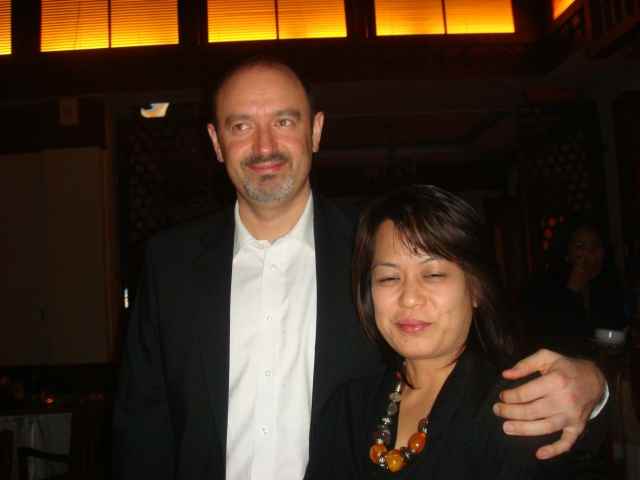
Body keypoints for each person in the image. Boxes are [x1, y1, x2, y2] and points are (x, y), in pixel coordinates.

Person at [112, 57, 607, 480]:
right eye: (241, 126)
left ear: (316, 131)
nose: (264, 146)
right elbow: (142, 425)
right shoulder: (168, 263)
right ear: (217, 142)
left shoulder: (379, 254)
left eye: (284, 121)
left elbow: (485, 350)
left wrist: (594, 385)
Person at [305, 185, 603, 479]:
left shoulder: (518, 409)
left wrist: (598, 385)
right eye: (389, 278)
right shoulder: (349, 408)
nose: (409, 298)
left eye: (433, 274)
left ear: (476, 289)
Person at [523, 220, 627, 354]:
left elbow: (617, 332)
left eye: (595, 246)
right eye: (580, 246)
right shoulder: (546, 284)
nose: (589, 253)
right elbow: (548, 336)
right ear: (567, 252)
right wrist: (571, 291)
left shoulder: (609, 283)